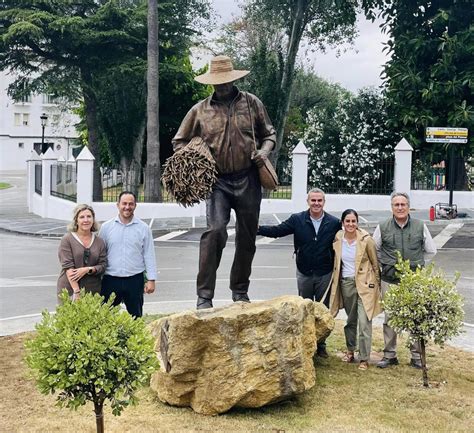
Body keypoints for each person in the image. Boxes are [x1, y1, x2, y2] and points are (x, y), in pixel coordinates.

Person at [172, 55, 276, 310]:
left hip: (248, 177)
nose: (222, 87)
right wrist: (195, 157)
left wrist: (264, 151)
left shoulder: (252, 104)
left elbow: (269, 134)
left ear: (233, 79)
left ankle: (240, 290)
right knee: (215, 231)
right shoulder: (199, 110)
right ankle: (204, 296)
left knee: (247, 237)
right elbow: (179, 142)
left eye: (226, 82)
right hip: (217, 182)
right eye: (217, 83)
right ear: (212, 83)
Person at [257, 188, 341, 357]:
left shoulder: (333, 222)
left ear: (324, 202)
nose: (316, 204)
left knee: (322, 311)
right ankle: (306, 342)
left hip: (325, 272)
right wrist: (256, 228)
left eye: (319, 201)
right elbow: (277, 231)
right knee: (305, 309)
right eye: (313, 200)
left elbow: (347, 238)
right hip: (304, 272)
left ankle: (321, 345)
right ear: (308, 201)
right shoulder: (298, 219)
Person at [374, 192, 437, 369]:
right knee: (390, 318)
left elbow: (430, 251)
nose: (400, 208)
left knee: (416, 318)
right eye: (396, 205)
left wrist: (417, 265)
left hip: (413, 281)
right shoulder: (383, 226)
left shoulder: (419, 226)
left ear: (408, 206)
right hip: (390, 280)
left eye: (403, 204)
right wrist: (385, 264)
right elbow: (375, 249)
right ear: (391, 207)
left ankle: (416, 356)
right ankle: (389, 355)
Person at [329, 209, 382, 370]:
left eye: (353, 221)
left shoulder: (366, 240)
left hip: (366, 285)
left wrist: (377, 286)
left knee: (365, 322)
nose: (351, 224)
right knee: (351, 320)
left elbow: (375, 263)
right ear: (343, 223)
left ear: (357, 223)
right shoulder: (338, 238)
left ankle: (364, 358)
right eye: (347, 221)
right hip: (347, 283)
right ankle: (350, 350)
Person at [99, 191, 157, 318]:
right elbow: (100, 254)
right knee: (105, 318)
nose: (127, 207)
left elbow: (149, 254)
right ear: (117, 205)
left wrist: (151, 279)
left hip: (134, 280)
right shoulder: (106, 228)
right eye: (124, 203)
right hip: (110, 279)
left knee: (136, 317)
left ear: (135, 206)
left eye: (131, 204)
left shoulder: (143, 228)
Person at [57, 204, 107, 301]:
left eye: (89, 216)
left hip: (93, 290)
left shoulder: (99, 242)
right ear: (76, 220)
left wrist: (88, 269)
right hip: (70, 289)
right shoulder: (67, 239)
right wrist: (77, 292)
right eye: (82, 217)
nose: (86, 220)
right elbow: (68, 267)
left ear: (93, 219)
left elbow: (103, 265)